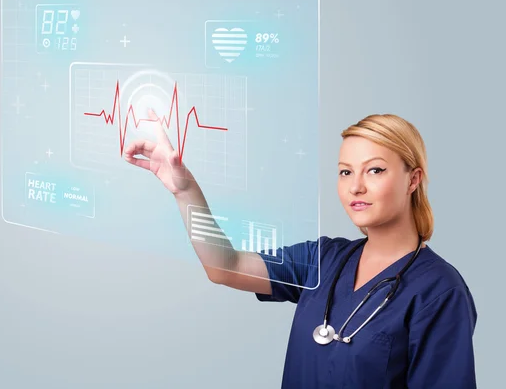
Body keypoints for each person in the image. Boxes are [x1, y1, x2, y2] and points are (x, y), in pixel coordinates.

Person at [123, 111, 477, 388]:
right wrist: (184, 191)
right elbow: (224, 266)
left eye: (375, 170)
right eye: (344, 172)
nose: (355, 187)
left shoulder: (439, 292)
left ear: (413, 179)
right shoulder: (323, 260)